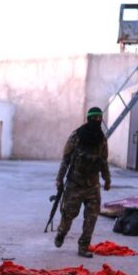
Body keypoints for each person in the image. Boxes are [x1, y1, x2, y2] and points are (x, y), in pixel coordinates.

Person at [53, 106, 112, 258]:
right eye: (95, 118)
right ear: (89, 118)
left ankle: (83, 247)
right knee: (68, 215)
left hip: (93, 186)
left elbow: (103, 161)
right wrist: (59, 179)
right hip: (75, 184)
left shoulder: (101, 139)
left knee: (91, 218)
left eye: (100, 118)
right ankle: (61, 233)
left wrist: (107, 179)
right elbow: (66, 159)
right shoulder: (76, 136)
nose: (98, 120)